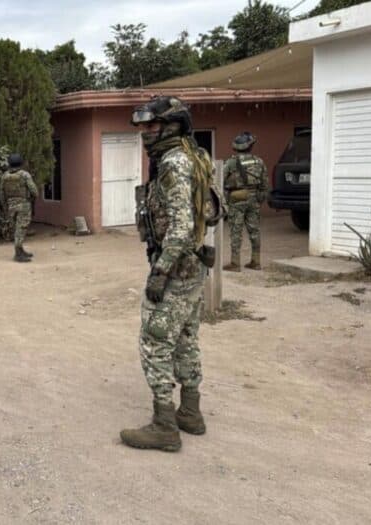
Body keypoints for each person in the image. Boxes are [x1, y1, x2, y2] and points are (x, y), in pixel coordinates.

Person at [123, 96, 220, 452]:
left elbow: (181, 225)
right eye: (143, 127)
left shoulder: (173, 163)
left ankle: (164, 425)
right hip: (193, 265)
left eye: (151, 125)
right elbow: (209, 209)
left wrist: (160, 272)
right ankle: (190, 413)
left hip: (177, 268)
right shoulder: (193, 156)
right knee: (186, 337)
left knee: (154, 338)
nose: (145, 133)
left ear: (173, 124)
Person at [223, 132, 267, 271]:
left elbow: (220, 179)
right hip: (254, 198)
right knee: (254, 230)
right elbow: (264, 182)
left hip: (237, 199)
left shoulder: (230, 162)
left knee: (236, 231)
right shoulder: (259, 161)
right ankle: (256, 261)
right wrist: (260, 198)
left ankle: (235, 264)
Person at [0, 153, 38, 262]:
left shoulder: (4, 176)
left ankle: (20, 250)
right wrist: (33, 198)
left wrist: (5, 207)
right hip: (23, 205)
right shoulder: (24, 175)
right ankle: (18, 254)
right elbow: (34, 190)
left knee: (17, 228)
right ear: (21, 162)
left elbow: (1, 194)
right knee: (21, 228)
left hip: (11, 206)